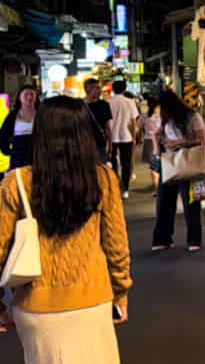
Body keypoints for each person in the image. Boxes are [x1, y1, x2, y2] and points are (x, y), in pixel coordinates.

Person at [0, 96, 132, 363]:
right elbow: (116, 246)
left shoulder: (16, 183)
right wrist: (120, 293)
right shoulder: (103, 179)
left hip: (35, 306)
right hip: (92, 301)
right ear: (83, 133)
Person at [153, 89, 205, 253]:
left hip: (188, 162)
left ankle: (194, 240)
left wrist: (179, 143)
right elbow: (157, 134)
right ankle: (162, 239)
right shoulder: (164, 118)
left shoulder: (193, 116)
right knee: (164, 202)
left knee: (190, 203)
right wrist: (158, 148)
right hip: (169, 163)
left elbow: (202, 139)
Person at [106, 81, 139, 199]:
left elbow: (106, 123)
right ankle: (125, 188)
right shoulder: (130, 102)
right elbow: (133, 121)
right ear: (125, 89)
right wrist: (135, 137)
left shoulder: (108, 102)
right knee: (126, 163)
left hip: (112, 137)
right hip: (126, 136)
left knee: (112, 162)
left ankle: (115, 185)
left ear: (113, 89)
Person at [0, 86, 39, 173]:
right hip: (18, 158)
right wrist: (8, 151)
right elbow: (3, 135)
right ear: (19, 97)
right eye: (26, 95)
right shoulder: (13, 116)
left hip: (38, 156)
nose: (29, 97)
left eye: (32, 94)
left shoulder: (42, 114)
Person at [84, 78, 114, 163]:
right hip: (84, 145)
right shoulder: (80, 105)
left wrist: (110, 145)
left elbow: (107, 126)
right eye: (97, 88)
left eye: (99, 88)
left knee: (101, 170)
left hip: (100, 144)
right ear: (88, 89)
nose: (100, 90)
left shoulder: (104, 105)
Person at [138, 98, 162, 191]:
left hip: (149, 141)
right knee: (159, 163)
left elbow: (138, 129)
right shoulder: (162, 116)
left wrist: (139, 139)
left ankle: (156, 186)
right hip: (161, 141)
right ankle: (159, 185)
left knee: (153, 166)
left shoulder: (144, 116)